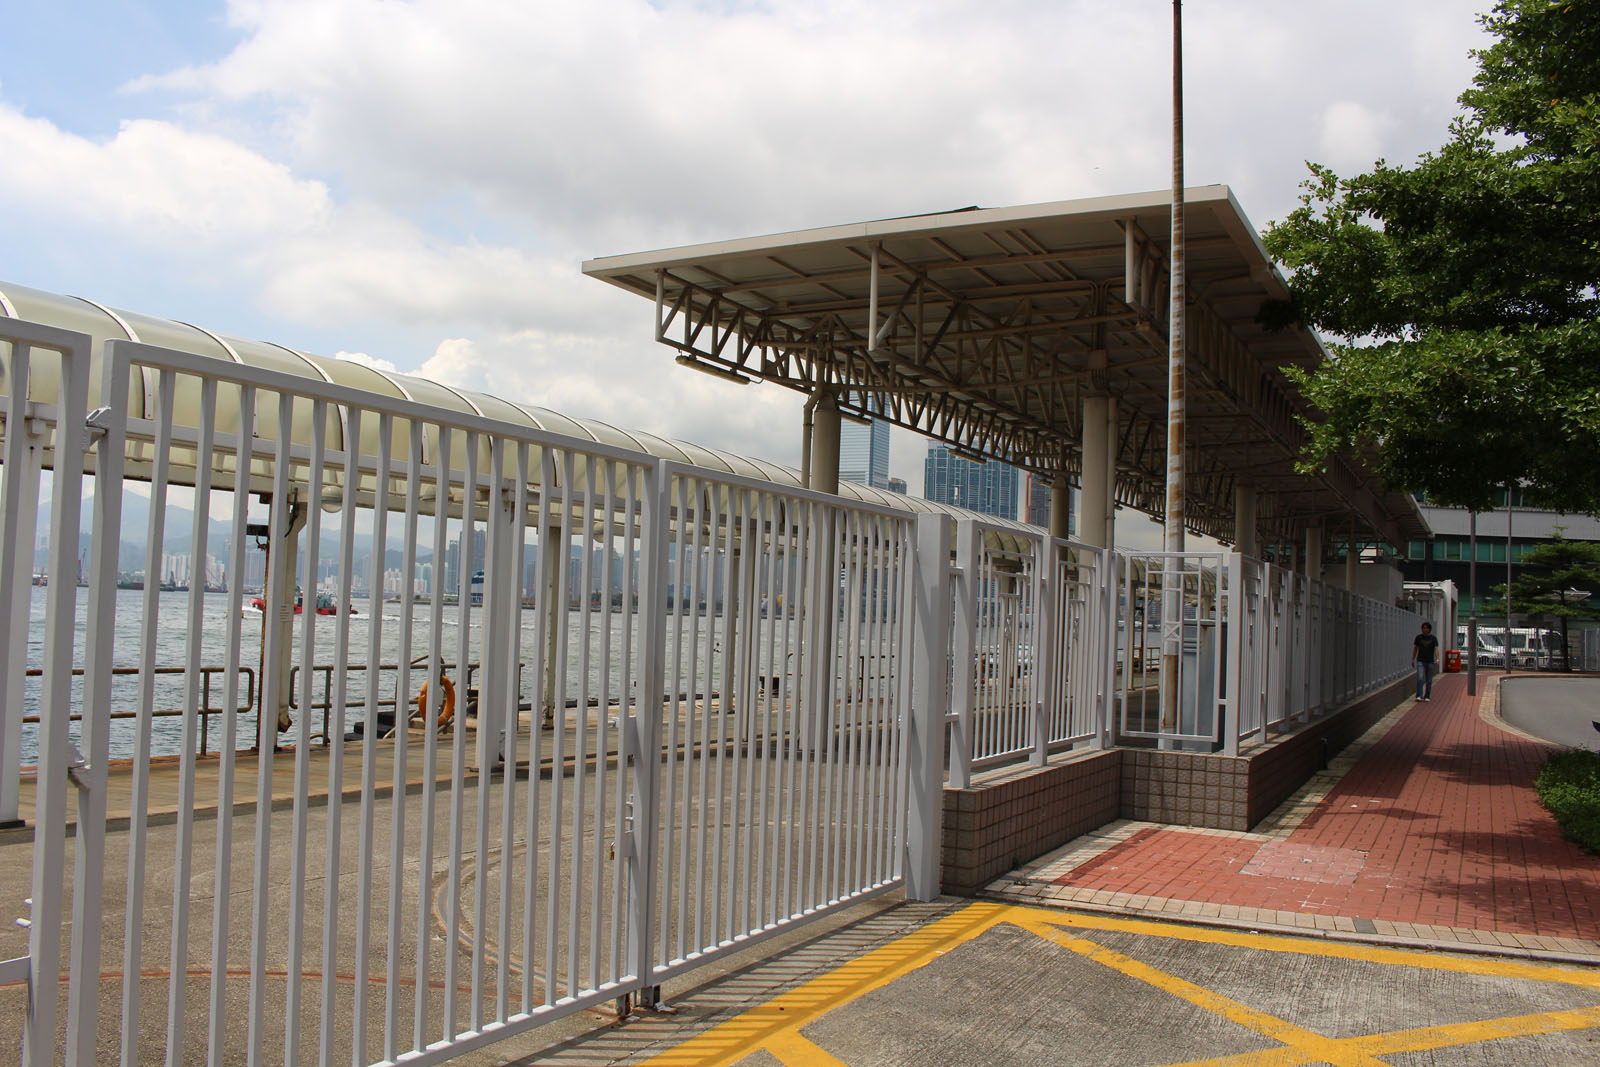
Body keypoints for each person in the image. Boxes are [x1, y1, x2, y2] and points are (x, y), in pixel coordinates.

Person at [1412, 621, 1440, 701]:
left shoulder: (1433, 638)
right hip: (1420, 660)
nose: (1425, 629)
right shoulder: (1418, 638)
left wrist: (1437, 658)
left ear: (1429, 629)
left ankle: (1427, 696)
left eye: (1426, 628)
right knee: (1420, 678)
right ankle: (1419, 695)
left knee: (1429, 679)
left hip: (1430, 661)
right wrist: (1413, 659)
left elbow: (1436, 649)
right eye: (1423, 628)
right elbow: (1415, 649)